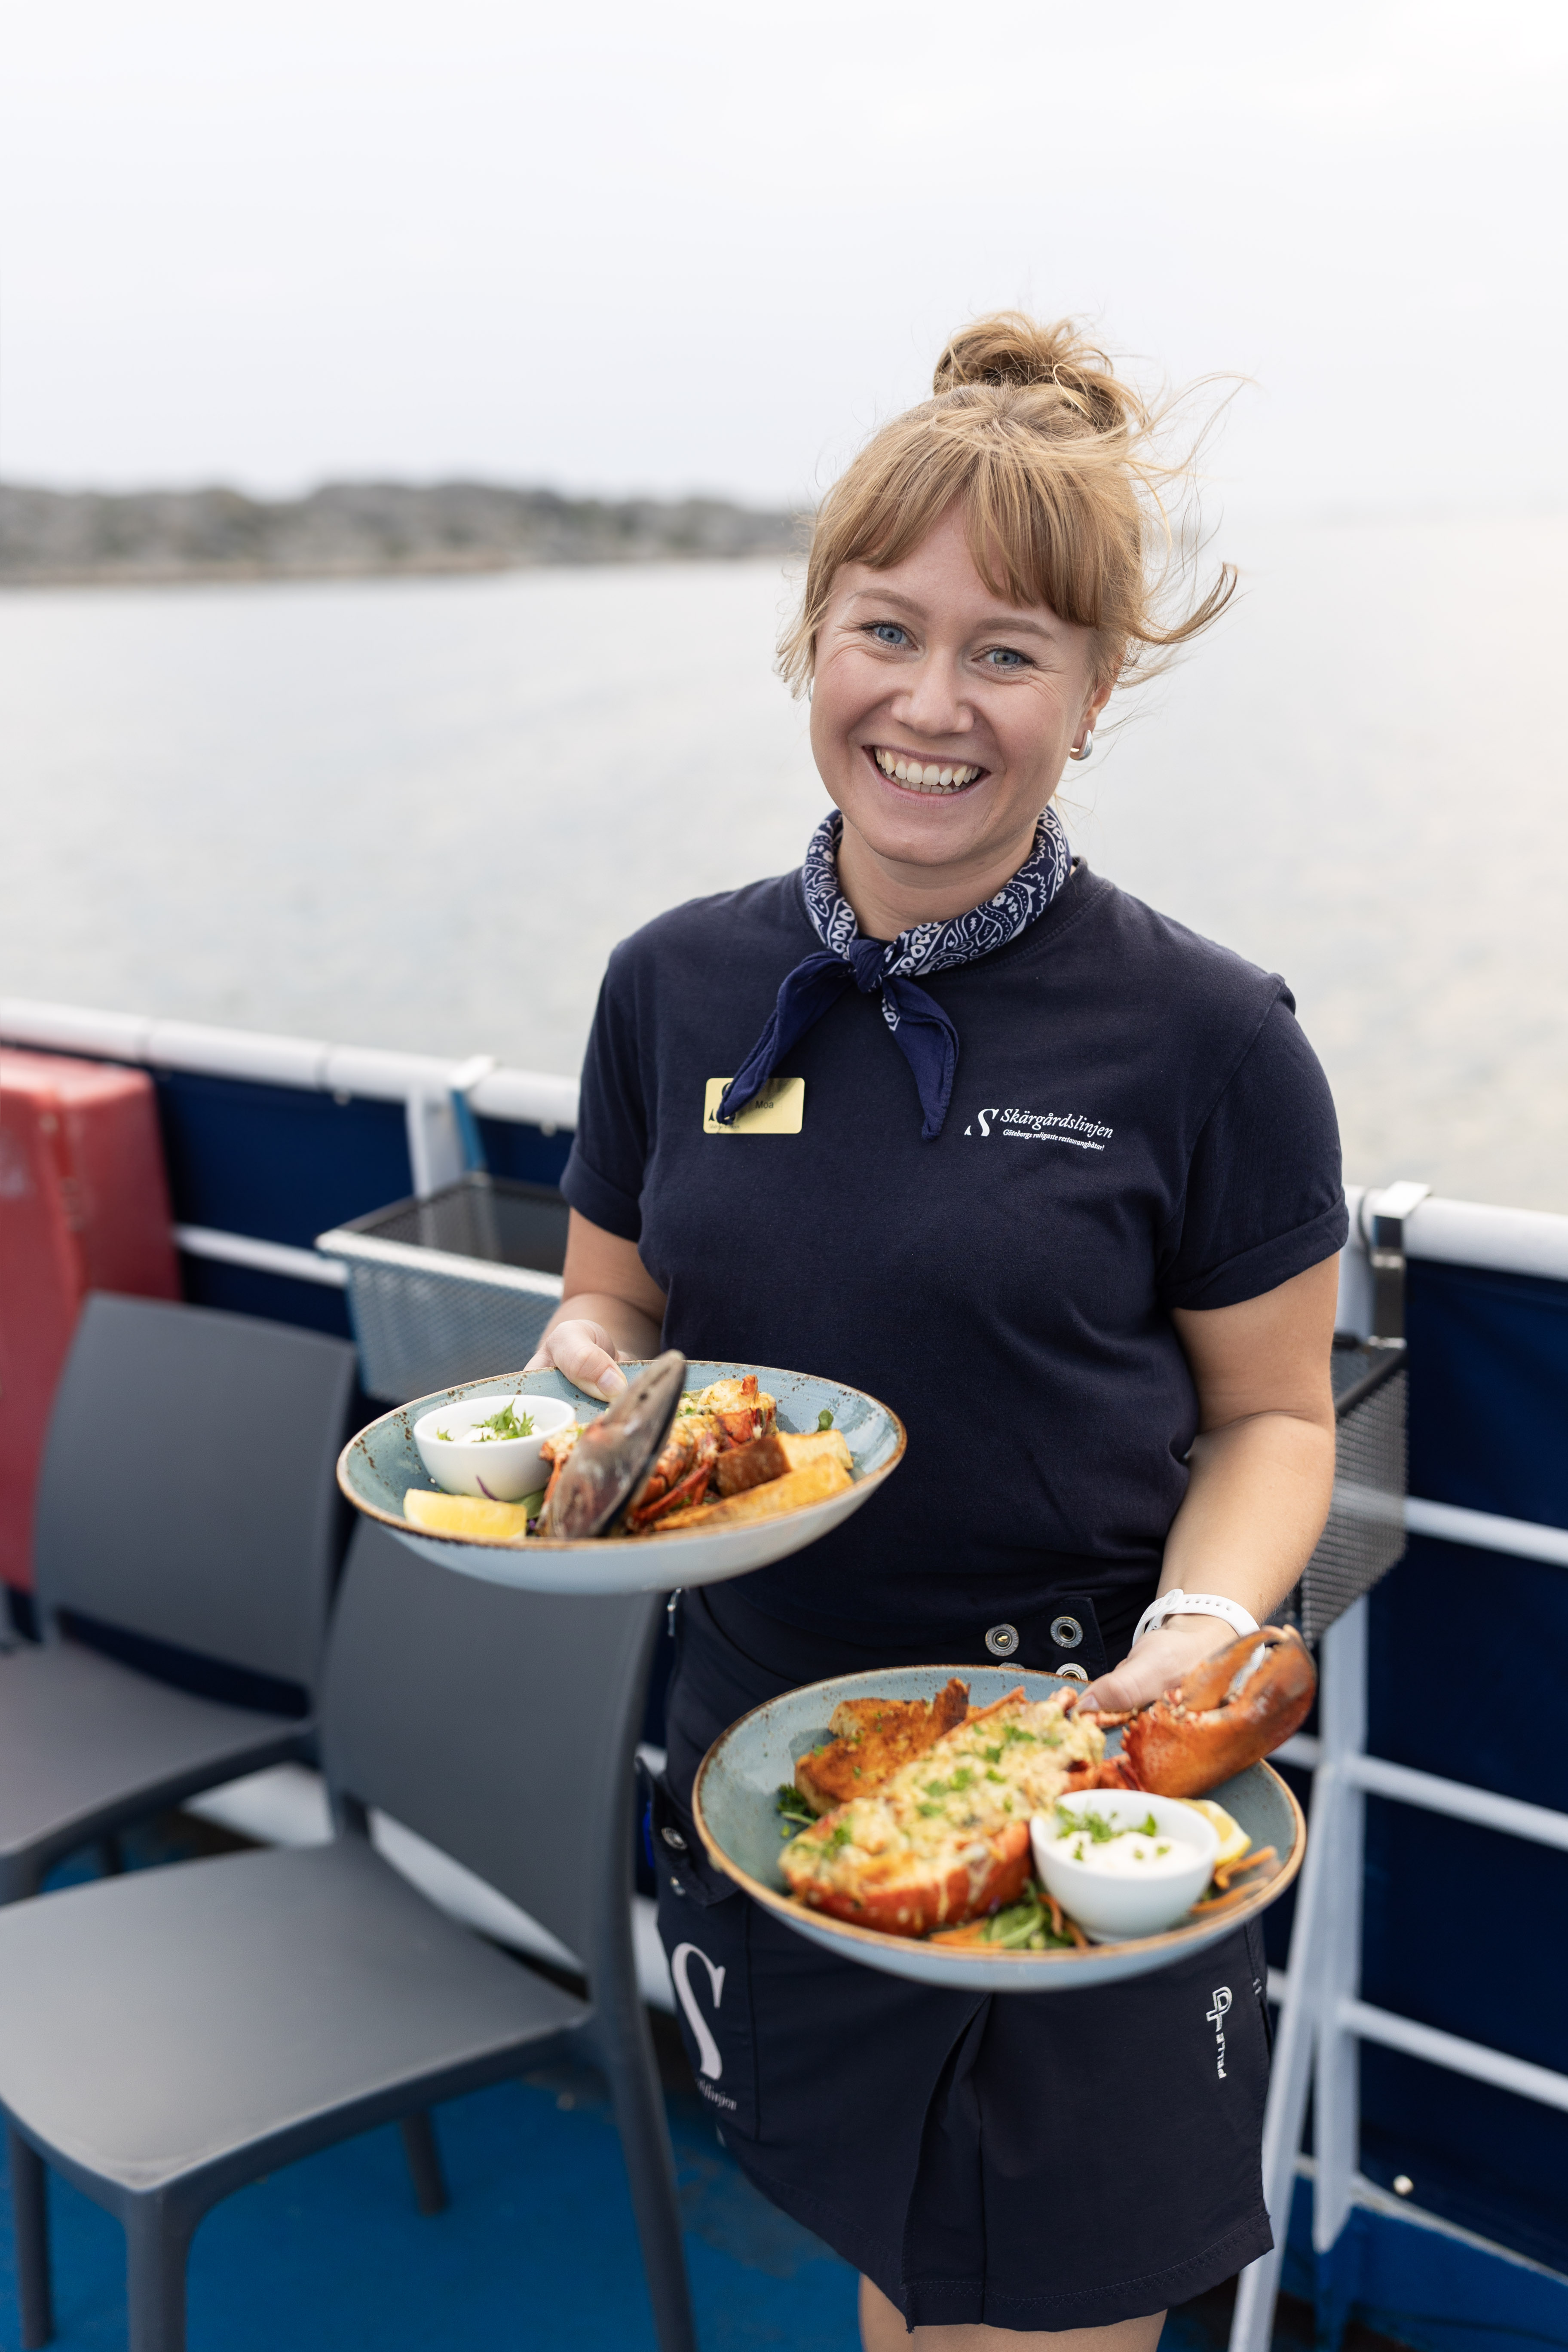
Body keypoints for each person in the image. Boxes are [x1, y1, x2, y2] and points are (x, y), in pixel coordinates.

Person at [529, 313, 1345, 2351]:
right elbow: (612, 1289)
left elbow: (1273, 1424)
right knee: (895, 2275)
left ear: (1095, 691)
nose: (933, 704)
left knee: (1043, 2313)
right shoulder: (673, 987)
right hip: (765, 1775)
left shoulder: (1210, 1035)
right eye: (888, 631)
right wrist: (589, 1389)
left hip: (1084, 1778)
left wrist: (1192, 1643)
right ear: (813, 638)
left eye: (1010, 653)